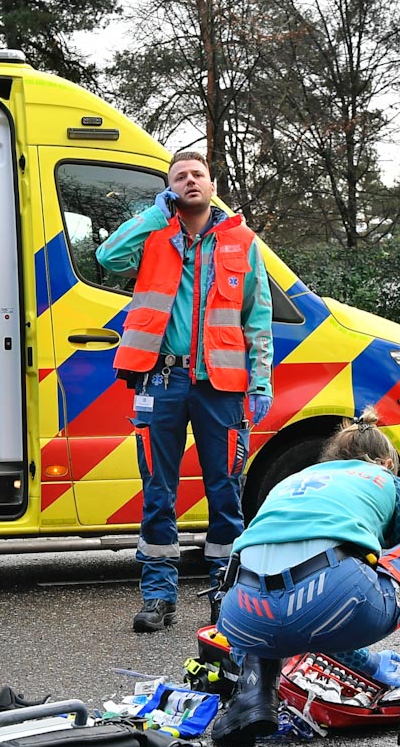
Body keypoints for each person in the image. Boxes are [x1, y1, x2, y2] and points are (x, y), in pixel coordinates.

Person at [210, 414, 400, 747]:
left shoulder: (293, 482)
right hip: (329, 601)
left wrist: (365, 663)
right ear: (387, 461)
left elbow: (299, 608)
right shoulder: (383, 478)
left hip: (242, 616)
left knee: (284, 585)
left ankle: (252, 696)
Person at [95, 150, 274, 633]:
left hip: (222, 387)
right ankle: (158, 595)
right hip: (162, 380)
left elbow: (257, 318)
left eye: (198, 174)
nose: (190, 180)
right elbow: (107, 257)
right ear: (171, 187)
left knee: (225, 491)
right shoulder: (155, 232)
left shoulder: (241, 241)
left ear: (212, 185)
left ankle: (226, 593)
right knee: (158, 490)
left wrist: (261, 381)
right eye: (181, 176)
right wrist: (155, 213)